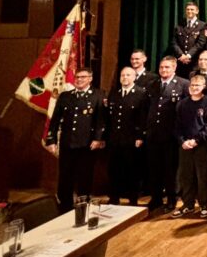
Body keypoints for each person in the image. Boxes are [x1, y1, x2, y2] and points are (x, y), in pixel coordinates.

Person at [44, 68, 105, 212]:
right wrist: (51, 139)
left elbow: (100, 120)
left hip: (86, 144)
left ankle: (83, 206)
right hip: (67, 143)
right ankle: (64, 206)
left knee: (85, 175)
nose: (79, 80)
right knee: (65, 176)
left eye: (83, 77)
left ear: (90, 78)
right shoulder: (65, 96)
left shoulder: (98, 95)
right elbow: (55, 119)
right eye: (77, 77)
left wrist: (98, 139)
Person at [146, 56, 189, 212]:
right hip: (153, 133)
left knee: (170, 169)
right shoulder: (152, 84)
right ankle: (156, 197)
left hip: (171, 134)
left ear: (174, 68)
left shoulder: (183, 84)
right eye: (161, 67)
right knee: (154, 168)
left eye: (167, 67)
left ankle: (172, 198)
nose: (164, 70)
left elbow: (186, 110)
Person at [172, 74, 207, 218]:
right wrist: (182, 141)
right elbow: (177, 126)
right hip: (184, 145)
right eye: (192, 85)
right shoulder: (182, 103)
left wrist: (196, 141)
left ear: (203, 87)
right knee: (186, 176)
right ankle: (188, 204)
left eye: (197, 85)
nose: (194, 88)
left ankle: (204, 205)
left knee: (202, 176)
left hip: (201, 145)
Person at [107, 66, 148, 206]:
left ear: (135, 77)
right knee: (114, 170)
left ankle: (133, 199)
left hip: (131, 139)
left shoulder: (141, 93)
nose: (125, 77)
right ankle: (114, 198)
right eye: (122, 75)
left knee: (132, 170)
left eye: (128, 75)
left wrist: (140, 136)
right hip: (115, 139)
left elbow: (143, 117)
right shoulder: (115, 93)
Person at [171, 1, 207, 78]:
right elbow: (174, 42)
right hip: (180, 61)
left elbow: (201, 43)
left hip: (194, 62)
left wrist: (188, 55)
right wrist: (181, 55)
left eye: (192, 9)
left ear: (197, 11)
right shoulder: (179, 24)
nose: (189, 11)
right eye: (188, 9)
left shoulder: (202, 25)